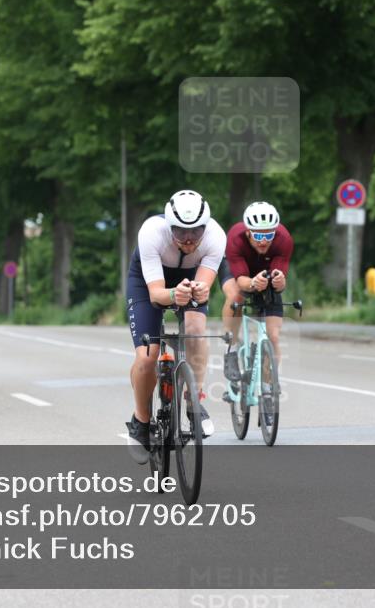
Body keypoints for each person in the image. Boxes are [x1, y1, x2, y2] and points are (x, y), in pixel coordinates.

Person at [125, 190, 224, 463]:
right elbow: (156, 293)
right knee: (147, 356)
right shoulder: (151, 232)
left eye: (196, 231)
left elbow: (204, 284)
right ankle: (141, 423)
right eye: (180, 232)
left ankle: (194, 404)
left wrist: (200, 292)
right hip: (149, 283)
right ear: (170, 227)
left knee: (195, 330)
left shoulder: (216, 236)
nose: (189, 238)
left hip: (190, 277)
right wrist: (172, 295)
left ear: (206, 227)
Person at [219, 201, 294, 384]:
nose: (263, 240)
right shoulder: (236, 238)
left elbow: (279, 283)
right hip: (238, 270)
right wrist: (253, 282)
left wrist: (279, 281)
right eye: (258, 234)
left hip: (265, 269)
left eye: (268, 235)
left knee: (273, 336)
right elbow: (241, 280)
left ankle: (268, 389)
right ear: (248, 232)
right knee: (235, 295)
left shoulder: (284, 239)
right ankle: (232, 348)